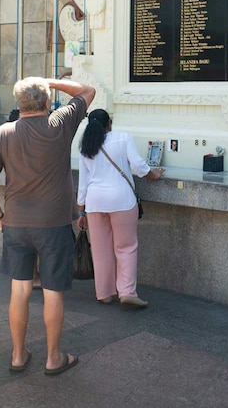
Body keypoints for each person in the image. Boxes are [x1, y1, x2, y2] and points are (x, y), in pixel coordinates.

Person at [0, 76, 95, 375]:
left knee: (19, 290)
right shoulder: (59, 124)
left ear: (18, 103)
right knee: (53, 291)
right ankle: (53, 357)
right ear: (46, 102)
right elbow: (88, 90)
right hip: (53, 224)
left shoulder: (4, 132)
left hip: (15, 224)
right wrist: (51, 81)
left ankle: (18, 355)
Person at [76, 109, 164, 308]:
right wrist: (155, 174)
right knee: (126, 247)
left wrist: (81, 211)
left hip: (95, 202)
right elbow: (140, 168)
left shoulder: (86, 146)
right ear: (110, 124)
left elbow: (83, 183)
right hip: (122, 200)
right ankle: (127, 292)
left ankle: (104, 293)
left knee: (100, 250)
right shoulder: (123, 138)